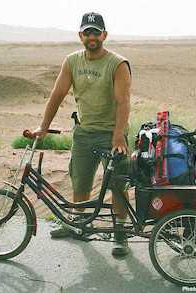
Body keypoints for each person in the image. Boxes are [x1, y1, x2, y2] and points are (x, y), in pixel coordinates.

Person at [34, 12, 132, 257]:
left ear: (104, 35)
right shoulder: (72, 61)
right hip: (84, 133)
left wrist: (118, 137)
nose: (91, 36)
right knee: (80, 179)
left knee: (118, 183)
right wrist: (43, 127)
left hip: (112, 133)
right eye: (87, 32)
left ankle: (120, 234)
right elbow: (57, 95)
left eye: (95, 32)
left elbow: (123, 102)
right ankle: (79, 224)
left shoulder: (117, 64)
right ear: (80, 35)